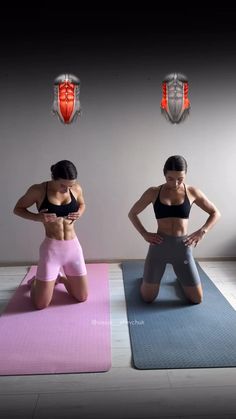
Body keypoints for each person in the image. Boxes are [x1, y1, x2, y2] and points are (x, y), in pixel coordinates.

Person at [128, 155, 221, 304]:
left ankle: (180, 279)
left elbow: (216, 213)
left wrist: (202, 232)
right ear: (164, 174)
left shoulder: (192, 192)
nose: (175, 183)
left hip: (182, 248)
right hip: (159, 246)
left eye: (180, 179)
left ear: (185, 175)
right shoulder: (153, 192)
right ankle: (146, 277)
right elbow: (132, 213)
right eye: (170, 178)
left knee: (197, 299)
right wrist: (144, 233)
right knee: (147, 298)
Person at [13, 160, 88, 310]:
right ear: (54, 178)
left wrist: (79, 212)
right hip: (51, 250)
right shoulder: (38, 190)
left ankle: (59, 278)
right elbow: (18, 209)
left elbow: (82, 204)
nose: (67, 189)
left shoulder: (76, 188)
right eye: (62, 185)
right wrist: (37, 217)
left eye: (70, 185)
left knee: (82, 297)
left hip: (73, 248)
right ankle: (36, 282)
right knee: (40, 304)